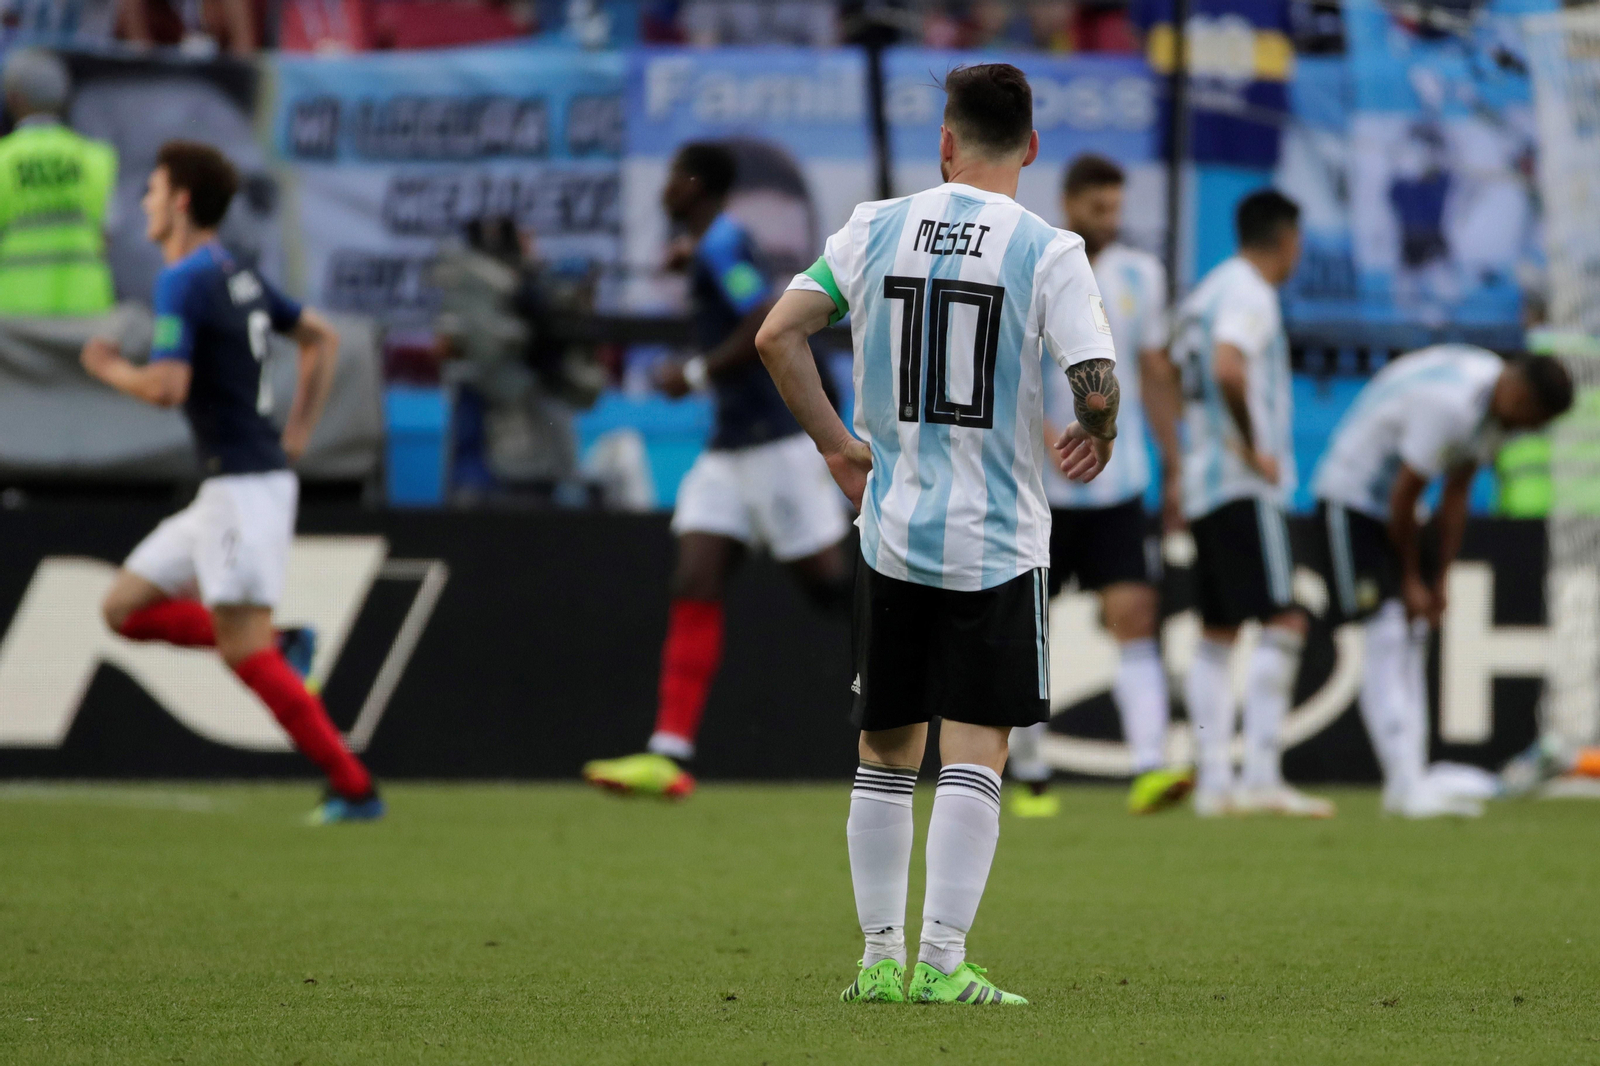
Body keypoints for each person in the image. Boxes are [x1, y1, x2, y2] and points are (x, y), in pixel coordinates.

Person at [758, 63, 1120, 1005]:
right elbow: (1096, 382)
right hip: (997, 541)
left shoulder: (875, 226)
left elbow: (776, 336)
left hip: (890, 531)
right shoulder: (1049, 249)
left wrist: (840, 446)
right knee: (976, 752)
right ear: (1032, 148)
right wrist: (1099, 431)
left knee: (884, 752)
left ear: (946, 142)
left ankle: (879, 962)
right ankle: (943, 964)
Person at [79, 140, 382, 825]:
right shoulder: (235, 272)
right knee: (122, 610)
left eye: (153, 189)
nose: (145, 201)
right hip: (233, 486)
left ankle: (355, 788)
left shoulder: (183, 279)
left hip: (244, 492)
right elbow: (320, 337)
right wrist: (298, 434)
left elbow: (165, 387)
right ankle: (280, 643)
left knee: (238, 650)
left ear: (181, 200)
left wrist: (105, 369)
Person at [582, 142, 852, 798]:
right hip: (729, 448)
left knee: (830, 589)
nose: (665, 188)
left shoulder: (725, 243)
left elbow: (763, 313)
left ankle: (928, 644)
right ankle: (668, 754)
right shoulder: (711, 244)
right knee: (695, 576)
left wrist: (698, 371)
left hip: (774, 443)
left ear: (697, 184)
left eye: (674, 176)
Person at [1006, 153, 1191, 818]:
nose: (1109, 220)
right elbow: (1011, 374)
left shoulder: (1144, 274)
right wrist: (1047, 435)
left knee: (1134, 615)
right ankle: (1029, 776)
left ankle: (1149, 767)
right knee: (1026, 631)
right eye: (1097, 208)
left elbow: (1154, 374)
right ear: (1070, 200)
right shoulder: (1035, 265)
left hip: (1120, 484)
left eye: (1116, 208)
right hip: (1042, 488)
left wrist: (1174, 466)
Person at [1312, 346, 1573, 815]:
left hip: (1394, 508)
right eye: (1533, 417)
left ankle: (1411, 776)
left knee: (1412, 634)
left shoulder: (1493, 413)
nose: (1530, 429)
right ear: (1519, 393)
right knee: (1386, 630)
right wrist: (1411, 578)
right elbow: (1404, 493)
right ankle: (1403, 783)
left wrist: (1440, 579)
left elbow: (1456, 493)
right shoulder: (1450, 406)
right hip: (1352, 498)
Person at [1174, 189, 1334, 818]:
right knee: (1286, 617)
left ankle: (1215, 782)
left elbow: (1161, 363)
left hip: (1204, 479)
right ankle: (1262, 775)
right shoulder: (1250, 294)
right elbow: (1228, 367)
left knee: (1218, 631)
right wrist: (1251, 444)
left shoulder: (1206, 292)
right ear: (1286, 239)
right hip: (1243, 483)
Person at [0, 48, 116, 317]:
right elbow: (108, 236)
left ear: (13, 99)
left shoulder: (4, 160)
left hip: (14, 313)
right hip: (87, 309)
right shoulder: (96, 157)